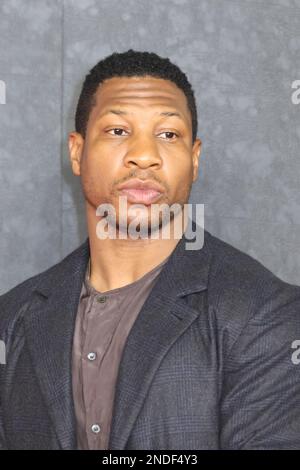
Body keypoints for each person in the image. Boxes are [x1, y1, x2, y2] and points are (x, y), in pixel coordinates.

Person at [0, 49, 300, 450]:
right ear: (77, 151)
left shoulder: (264, 314)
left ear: (194, 160)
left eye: (168, 134)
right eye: (118, 131)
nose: (144, 155)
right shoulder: (13, 317)